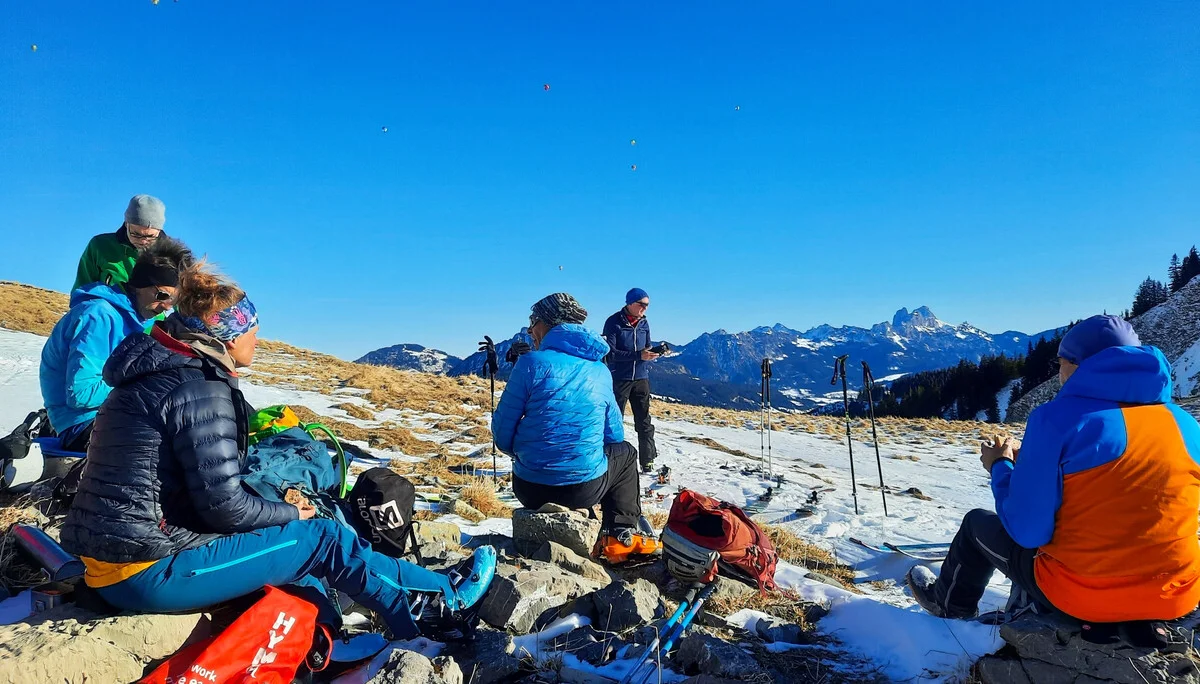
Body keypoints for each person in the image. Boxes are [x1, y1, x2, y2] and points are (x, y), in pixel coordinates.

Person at [58, 262, 495, 639]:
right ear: (226, 336)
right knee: (320, 536)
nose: (257, 337)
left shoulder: (159, 372)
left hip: (110, 561)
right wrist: (293, 514)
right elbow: (223, 507)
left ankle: (360, 615)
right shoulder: (199, 389)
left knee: (291, 535)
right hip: (146, 570)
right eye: (251, 328)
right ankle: (438, 603)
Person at [907, 315, 1200, 631]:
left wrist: (999, 465)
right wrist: (1036, 465)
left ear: (1079, 364)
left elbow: (1027, 530)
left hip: (1085, 597)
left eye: (1062, 363)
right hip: (1177, 595)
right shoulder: (1184, 424)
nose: (1059, 373)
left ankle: (948, 611)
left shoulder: (1057, 418)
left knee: (975, 526)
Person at [492, 293, 660, 564]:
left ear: (548, 324)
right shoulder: (600, 371)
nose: (531, 330)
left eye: (533, 322)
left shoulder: (530, 364)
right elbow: (613, 437)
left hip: (528, 488)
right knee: (626, 453)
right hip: (584, 489)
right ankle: (620, 535)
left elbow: (502, 435)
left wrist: (530, 453)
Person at [40, 237, 193, 451]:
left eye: (173, 302)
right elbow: (80, 394)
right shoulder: (100, 316)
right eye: (162, 295)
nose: (166, 307)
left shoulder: (139, 320)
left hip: (109, 416)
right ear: (140, 284)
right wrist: (145, 381)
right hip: (81, 424)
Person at [602, 288, 660, 473]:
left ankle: (647, 460)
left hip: (641, 378)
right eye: (641, 305)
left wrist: (651, 353)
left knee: (644, 421)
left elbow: (647, 345)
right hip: (620, 378)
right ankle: (611, 459)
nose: (645, 309)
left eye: (647, 305)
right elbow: (610, 353)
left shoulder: (644, 323)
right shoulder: (613, 322)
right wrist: (638, 355)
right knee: (614, 421)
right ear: (630, 303)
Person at [73, 194, 169, 291]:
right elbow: (82, 288)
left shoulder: (172, 255)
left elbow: (179, 298)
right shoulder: (100, 245)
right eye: (136, 234)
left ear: (159, 230)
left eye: (150, 236)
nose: (143, 241)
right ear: (127, 224)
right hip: (110, 305)